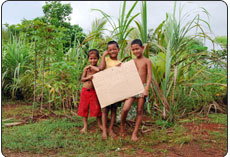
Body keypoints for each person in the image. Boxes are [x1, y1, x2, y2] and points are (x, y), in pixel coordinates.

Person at [120, 39, 152, 141]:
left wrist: (146, 89)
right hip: (132, 87)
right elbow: (124, 72)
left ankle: (134, 133)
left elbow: (149, 76)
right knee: (125, 109)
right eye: (133, 50)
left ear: (142, 48)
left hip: (142, 87)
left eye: (137, 49)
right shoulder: (131, 62)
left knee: (139, 110)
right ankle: (122, 127)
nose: (135, 52)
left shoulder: (147, 61)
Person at [100, 40, 121, 139]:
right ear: (107, 51)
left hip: (115, 88)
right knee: (105, 110)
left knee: (114, 109)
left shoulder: (120, 63)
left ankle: (111, 129)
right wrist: (103, 56)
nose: (112, 51)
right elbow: (101, 68)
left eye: (114, 49)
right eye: (109, 50)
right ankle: (104, 130)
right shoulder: (106, 60)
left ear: (118, 50)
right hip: (106, 88)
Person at [77, 49, 102, 133]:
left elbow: (99, 70)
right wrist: (88, 77)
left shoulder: (97, 68)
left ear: (98, 59)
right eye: (91, 58)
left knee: (97, 107)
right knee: (84, 108)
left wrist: (91, 67)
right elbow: (82, 79)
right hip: (85, 90)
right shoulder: (86, 69)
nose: (93, 60)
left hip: (94, 91)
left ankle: (99, 124)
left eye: (95, 58)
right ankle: (85, 125)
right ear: (88, 59)